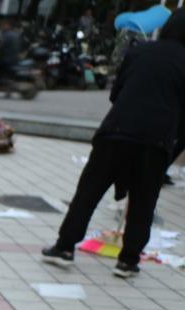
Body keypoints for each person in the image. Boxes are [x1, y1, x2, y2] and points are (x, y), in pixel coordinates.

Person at [41, 9, 185, 278]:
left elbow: (116, 93)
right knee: (143, 202)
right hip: (155, 142)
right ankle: (128, 261)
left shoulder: (139, 51)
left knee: (88, 193)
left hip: (116, 131)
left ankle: (64, 247)